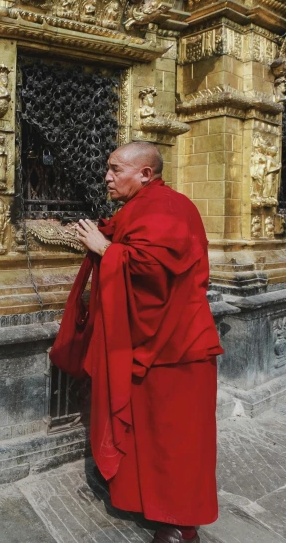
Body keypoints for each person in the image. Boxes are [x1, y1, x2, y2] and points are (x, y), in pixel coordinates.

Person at [51, 141, 223, 543]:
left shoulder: (167, 207)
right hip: (155, 343)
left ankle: (183, 524)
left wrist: (105, 250)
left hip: (177, 346)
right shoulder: (145, 207)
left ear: (145, 173)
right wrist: (101, 235)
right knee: (150, 434)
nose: (107, 177)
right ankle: (158, 510)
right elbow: (135, 244)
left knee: (178, 440)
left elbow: (153, 271)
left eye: (115, 169)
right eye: (107, 170)